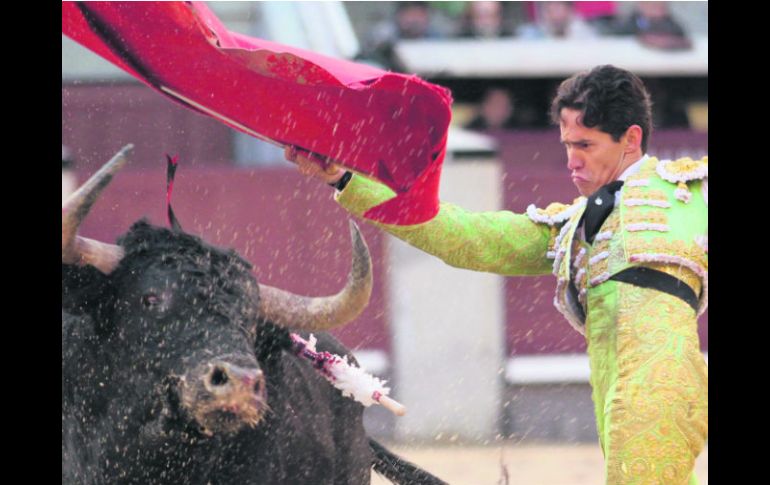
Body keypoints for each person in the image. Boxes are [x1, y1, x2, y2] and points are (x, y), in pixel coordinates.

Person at [286, 65, 708, 485]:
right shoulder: (572, 229)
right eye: (566, 145)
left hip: (663, 386)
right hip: (613, 392)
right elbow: (469, 237)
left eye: (585, 144)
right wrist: (347, 178)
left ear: (631, 139)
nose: (571, 161)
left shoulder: (689, 191)